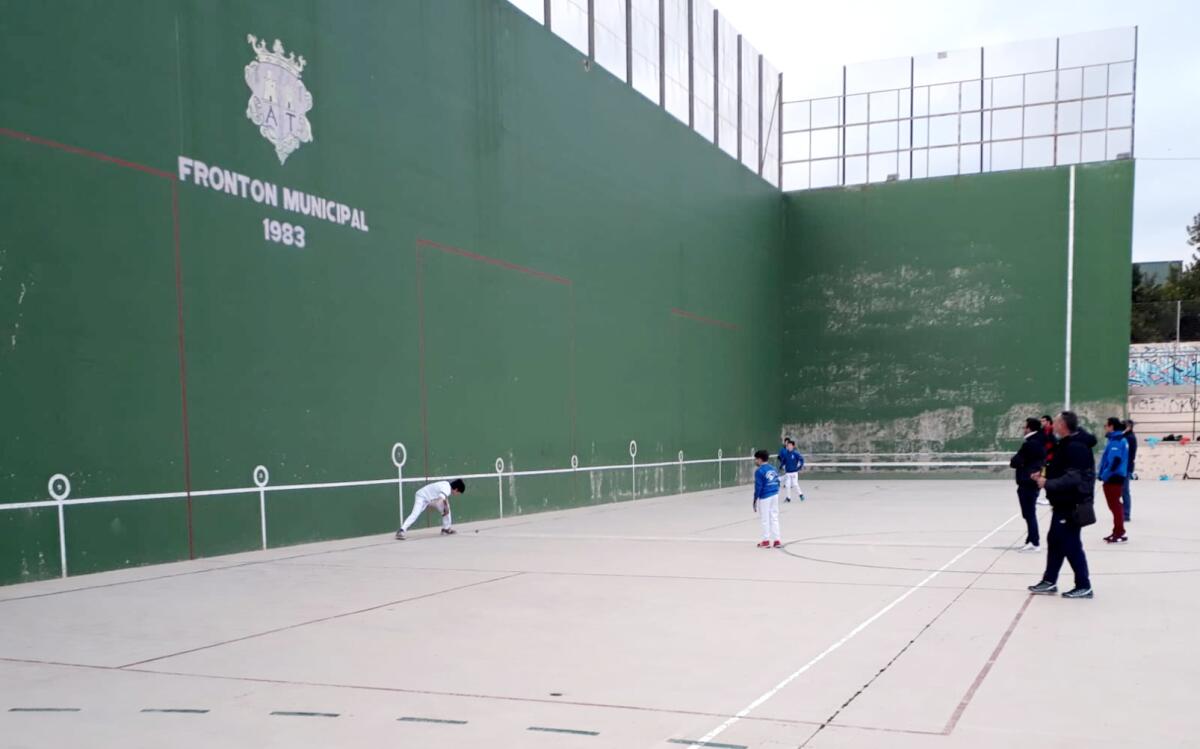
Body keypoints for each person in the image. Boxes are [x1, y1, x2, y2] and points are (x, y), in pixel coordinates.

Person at [1028, 411, 1096, 599]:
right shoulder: (1066, 443)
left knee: (1071, 544)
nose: (1052, 425)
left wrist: (1047, 483)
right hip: (1061, 503)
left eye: (1056, 422)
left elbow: (1075, 477)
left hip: (1072, 504)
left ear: (1063, 425)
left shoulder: (1077, 447)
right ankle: (1049, 581)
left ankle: (1084, 585)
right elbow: (1060, 468)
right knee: (1055, 541)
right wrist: (1044, 475)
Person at [1009, 417, 1046, 552]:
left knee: (1029, 513)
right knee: (1029, 513)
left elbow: (1015, 461)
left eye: (1025, 427)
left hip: (1027, 481)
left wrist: (1021, 462)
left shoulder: (1030, 444)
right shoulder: (1039, 441)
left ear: (1030, 428)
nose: (1023, 429)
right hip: (1031, 481)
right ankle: (1030, 539)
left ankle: (1034, 542)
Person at [395, 478, 465, 539]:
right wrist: (433, 507)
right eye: (459, 493)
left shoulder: (447, 485)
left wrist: (444, 508)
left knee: (447, 507)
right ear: (456, 489)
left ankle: (446, 529)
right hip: (422, 496)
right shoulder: (447, 489)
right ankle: (401, 531)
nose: (457, 495)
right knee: (415, 514)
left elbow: (443, 499)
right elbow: (439, 500)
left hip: (429, 499)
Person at [1099, 417, 1129, 543]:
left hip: (1113, 477)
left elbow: (1114, 461)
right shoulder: (1119, 439)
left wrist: (1105, 474)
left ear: (1111, 426)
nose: (1105, 427)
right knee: (1116, 505)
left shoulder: (1116, 440)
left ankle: (1118, 532)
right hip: (1117, 476)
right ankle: (1118, 531)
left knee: (1115, 506)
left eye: (1106, 425)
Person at [752, 449, 782, 549]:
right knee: (774, 517)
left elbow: (758, 486)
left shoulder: (759, 471)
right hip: (775, 495)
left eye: (756, 459)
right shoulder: (773, 468)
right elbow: (778, 481)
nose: (755, 461)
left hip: (765, 496)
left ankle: (766, 541)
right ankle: (777, 540)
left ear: (760, 460)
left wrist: (755, 499)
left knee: (765, 519)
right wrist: (775, 491)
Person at [1036, 414, 1057, 506]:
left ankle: (1050, 497)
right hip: (1044, 460)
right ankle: (1041, 496)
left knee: (1050, 477)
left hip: (1052, 460)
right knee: (1043, 476)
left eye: (1043, 421)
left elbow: (1053, 444)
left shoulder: (1055, 431)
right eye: (1041, 421)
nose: (1042, 423)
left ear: (1048, 421)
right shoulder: (1041, 432)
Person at [778, 438, 806, 503]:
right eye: (788, 445)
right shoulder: (785, 454)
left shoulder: (796, 453)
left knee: (795, 484)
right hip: (788, 472)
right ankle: (788, 498)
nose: (789, 447)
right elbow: (783, 461)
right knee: (787, 485)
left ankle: (801, 495)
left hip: (794, 472)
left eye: (790, 445)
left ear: (793, 446)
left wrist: (799, 467)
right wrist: (781, 466)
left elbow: (801, 460)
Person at [1123, 420, 1137, 522]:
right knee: (1122, 491)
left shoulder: (1129, 438)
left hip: (1126, 467)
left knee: (1124, 491)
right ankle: (1123, 512)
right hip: (1124, 466)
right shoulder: (1127, 436)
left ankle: (1126, 514)